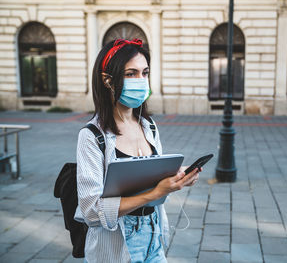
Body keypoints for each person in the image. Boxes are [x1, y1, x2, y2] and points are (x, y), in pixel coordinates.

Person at [75, 38, 201, 263]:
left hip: (153, 234)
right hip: (117, 243)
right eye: (131, 73)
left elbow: (151, 177)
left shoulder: (148, 126)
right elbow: (91, 211)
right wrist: (154, 193)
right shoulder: (91, 136)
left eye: (145, 72)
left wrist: (178, 176)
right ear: (107, 80)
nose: (141, 81)